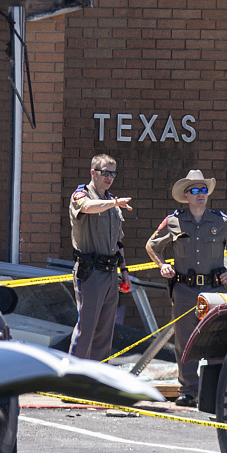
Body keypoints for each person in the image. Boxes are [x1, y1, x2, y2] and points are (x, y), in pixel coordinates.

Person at [145, 170, 227, 407]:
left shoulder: (221, 221)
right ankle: (189, 391)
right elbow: (151, 245)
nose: (201, 195)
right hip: (185, 290)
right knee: (184, 341)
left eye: (204, 190)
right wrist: (162, 266)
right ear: (186, 195)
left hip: (214, 289)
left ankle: (218, 392)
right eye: (195, 191)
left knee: (218, 338)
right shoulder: (174, 221)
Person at [69, 154, 132, 361]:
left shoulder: (111, 201)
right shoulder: (82, 194)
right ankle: (72, 383)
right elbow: (86, 207)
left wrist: (124, 272)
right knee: (86, 330)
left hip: (111, 273)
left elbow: (118, 242)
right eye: (105, 172)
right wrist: (114, 204)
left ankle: (96, 384)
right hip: (90, 272)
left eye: (113, 173)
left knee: (105, 333)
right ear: (93, 173)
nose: (109, 177)